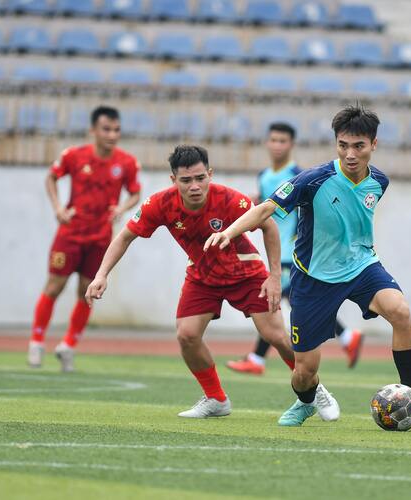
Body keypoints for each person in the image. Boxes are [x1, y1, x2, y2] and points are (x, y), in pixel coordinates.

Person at [206, 105, 411, 426]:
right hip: (313, 277)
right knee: (304, 372)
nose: (350, 154)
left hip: (361, 266)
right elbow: (265, 209)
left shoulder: (379, 182)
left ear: (374, 144)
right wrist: (229, 232)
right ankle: (306, 402)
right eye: (343, 145)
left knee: (400, 311)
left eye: (358, 146)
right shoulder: (313, 180)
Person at [85, 145, 340, 420]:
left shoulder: (230, 199)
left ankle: (314, 389)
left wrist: (274, 276)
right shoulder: (159, 204)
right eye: (186, 180)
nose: (194, 186)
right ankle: (216, 399)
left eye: (200, 178)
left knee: (276, 337)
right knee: (187, 335)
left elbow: (269, 226)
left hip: (246, 274)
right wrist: (101, 275)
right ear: (173, 180)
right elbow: (125, 236)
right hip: (202, 276)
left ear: (210, 174)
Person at [227, 122, 364, 376]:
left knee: (273, 298)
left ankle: (257, 358)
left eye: (283, 141)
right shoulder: (264, 175)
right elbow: (270, 206)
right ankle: (347, 337)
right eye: (273, 140)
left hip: (292, 251)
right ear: (266, 143)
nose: (277, 145)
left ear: (291, 144)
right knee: (284, 299)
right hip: (274, 249)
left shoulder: (299, 175)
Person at [27, 106, 141, 372]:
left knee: (87, 292)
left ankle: (68, 345)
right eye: (106, 129)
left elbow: (135, 193)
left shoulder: (126, 163)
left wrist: (122, 208)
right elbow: (51, 178)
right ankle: (37, 342)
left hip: (101, 238)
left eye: (116, 130)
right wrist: (58, 208)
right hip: (70, 234)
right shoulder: (74, 156)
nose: (112, 135)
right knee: (54, 287)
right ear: (93, 130)